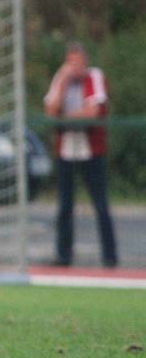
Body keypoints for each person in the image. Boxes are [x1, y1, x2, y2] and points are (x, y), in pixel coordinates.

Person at [43, 42, 117, 267]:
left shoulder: (95, 76)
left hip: (91, 151)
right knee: (65, 205)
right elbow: (51, 110)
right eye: (70, 62)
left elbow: (93, 112)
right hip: (66, 150)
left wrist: (67, 116)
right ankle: (63, 255)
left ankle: (109, 257)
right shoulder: (61, 78)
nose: (74, 67)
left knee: (100, 204)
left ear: (85, 62)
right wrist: (64, 80)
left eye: (78, 62)